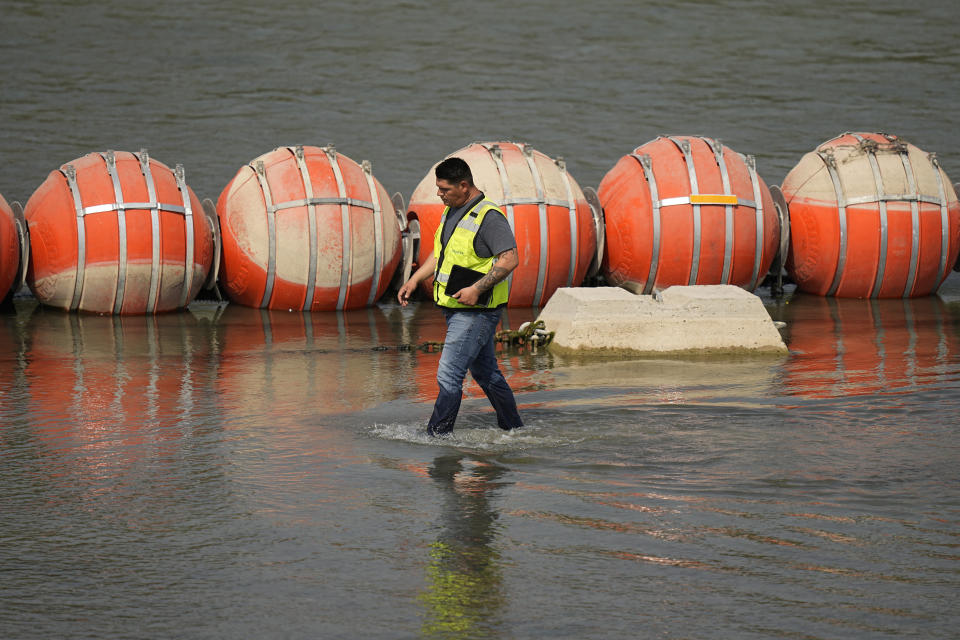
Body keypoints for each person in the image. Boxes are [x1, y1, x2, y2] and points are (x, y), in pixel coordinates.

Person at [398, 157, 523, 437]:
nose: (439, 194)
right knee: (486, 374)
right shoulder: (452, 210)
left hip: (476, 312)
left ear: (464, 186)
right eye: (438, 188)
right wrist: (415, 279)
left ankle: (437, 437)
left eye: (444, 189)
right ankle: (513, 429)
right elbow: (440, 253)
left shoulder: (489, 217)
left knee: (448, 374)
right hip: (454, 309)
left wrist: (477, 288)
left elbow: (510, 258)